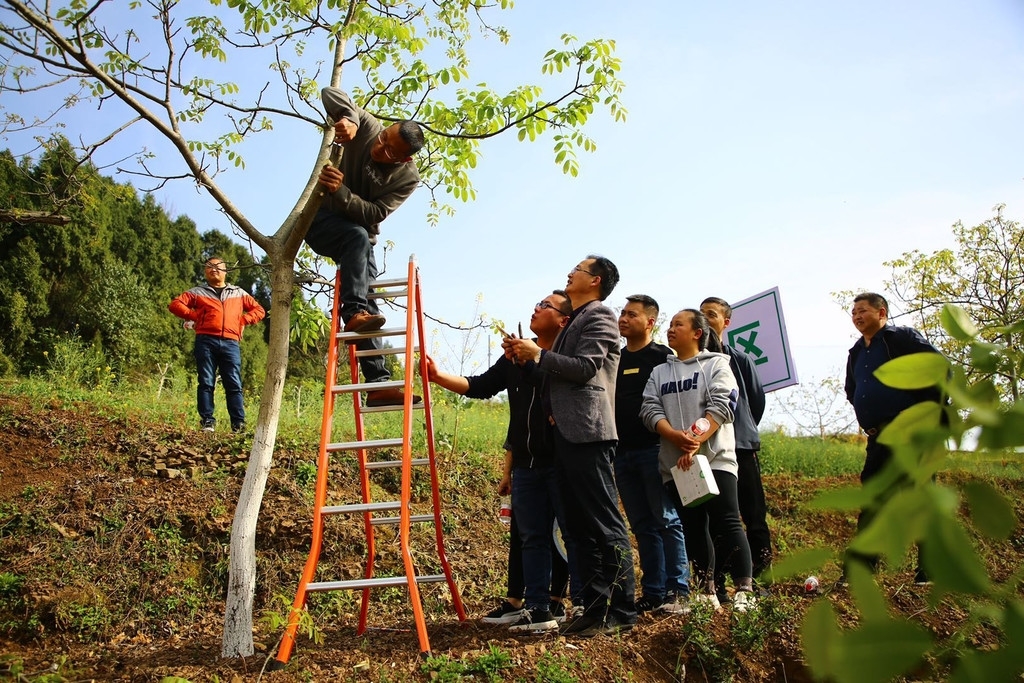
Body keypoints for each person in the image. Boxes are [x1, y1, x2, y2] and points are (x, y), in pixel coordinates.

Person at [424, 291, 577, 633]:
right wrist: (437, 377)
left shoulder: (568, 356)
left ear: (563, 320)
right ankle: (536, 607)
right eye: (537, 304)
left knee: (568, 534)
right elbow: (480, 386)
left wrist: (535, 359)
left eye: (545, 306)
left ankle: (570, 602)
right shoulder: (512, 358)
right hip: (526, 464)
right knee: (532, 536)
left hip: (563, 461)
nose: (536, 309)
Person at [505, 256, 637, 638]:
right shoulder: (573, 322)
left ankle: (623, 607)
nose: (570, 272)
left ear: (594, 280)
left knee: (604, 522)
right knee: (577, 528)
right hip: (564, 437)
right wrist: (528, 361)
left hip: (589, 433)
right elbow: (554, 375)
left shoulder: (600, 316)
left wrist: (540, 355)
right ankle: (593, 609)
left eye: (577, 269)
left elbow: (585, 368)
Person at [305, 86, 425, 407]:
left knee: (367, 296)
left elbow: (376, 213)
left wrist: (342, 192)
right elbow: (330, 92)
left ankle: (379, 383)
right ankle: (353, 312)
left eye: (389, 151)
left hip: (357, 235)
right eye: (383, 139)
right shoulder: (369, 129)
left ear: (405, 158)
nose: (379, 148)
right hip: (320, 221)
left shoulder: (407, 177)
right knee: (358, 254)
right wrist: (349, 119)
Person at [640, 309, 758, 613]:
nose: (671, 329)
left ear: (697, 333)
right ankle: (707, 590)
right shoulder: (659, 373)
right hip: (677, 464)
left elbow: (723, 404)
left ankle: (745, 588)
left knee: (727, 520)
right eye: (669, 325)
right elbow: (649, 410)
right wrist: (676, 437)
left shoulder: (718, 364)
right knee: (693, 525)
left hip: (716, 458)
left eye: (678, 324)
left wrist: (694, 439)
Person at [844, 292, 942, 585]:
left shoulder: (901, 339)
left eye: (862, 310)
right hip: (879, 438)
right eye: (853, 312)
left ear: (881, 312)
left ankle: (930, 570)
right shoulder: (856, 352)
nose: (857, 316)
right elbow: (852, 389)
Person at [614, 295, 691, 615]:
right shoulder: (615, 359)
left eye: (632, 314)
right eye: (622, 313)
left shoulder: (662, 357)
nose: (623, 318)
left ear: (650, 322)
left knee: (667, 519)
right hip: (621, 453)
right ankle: (654, 591)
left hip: (655, 449)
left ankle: (679, 589)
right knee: (641, 524)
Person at [700, 297, 771, 598]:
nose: (705, 320)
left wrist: (739, 431)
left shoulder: (739, 360)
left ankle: (762, 582)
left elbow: (755, 402)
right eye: (701, 315)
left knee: (753, 516)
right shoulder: (693, 362)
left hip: (740, 446)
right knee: (711, 519)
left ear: (726, 322)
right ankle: (718, 585)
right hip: (706, 451)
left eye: (712, 315)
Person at [169, 257, 266, 432]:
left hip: (231, 342)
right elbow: (175, 304)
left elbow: (259, 310)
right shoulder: (197, 292)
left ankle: (238, 423)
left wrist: (242, 321)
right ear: (205, 272)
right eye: (209, 266)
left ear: (225, 271)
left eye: (217, 266)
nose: (213, 269)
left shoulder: (237, 292)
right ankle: (207, 421)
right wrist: (195, 316)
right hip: (205, 340)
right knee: (206, 381)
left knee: (234, 383)